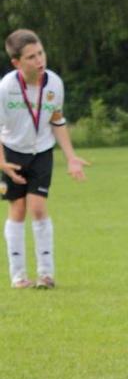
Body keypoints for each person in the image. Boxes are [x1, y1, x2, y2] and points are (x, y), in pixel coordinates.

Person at [1, 29, 89, 289]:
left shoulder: (54, 83)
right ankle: (18, 276)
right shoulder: (6, 88)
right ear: (17, 63)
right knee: (17, 209)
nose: (39, 60)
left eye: (40, 53)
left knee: (38, 208)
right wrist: (2, 162)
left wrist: (71, 158)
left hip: (42, 152)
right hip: (12, 152)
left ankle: (46, 275)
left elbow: (56, 120)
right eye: (31, 57)